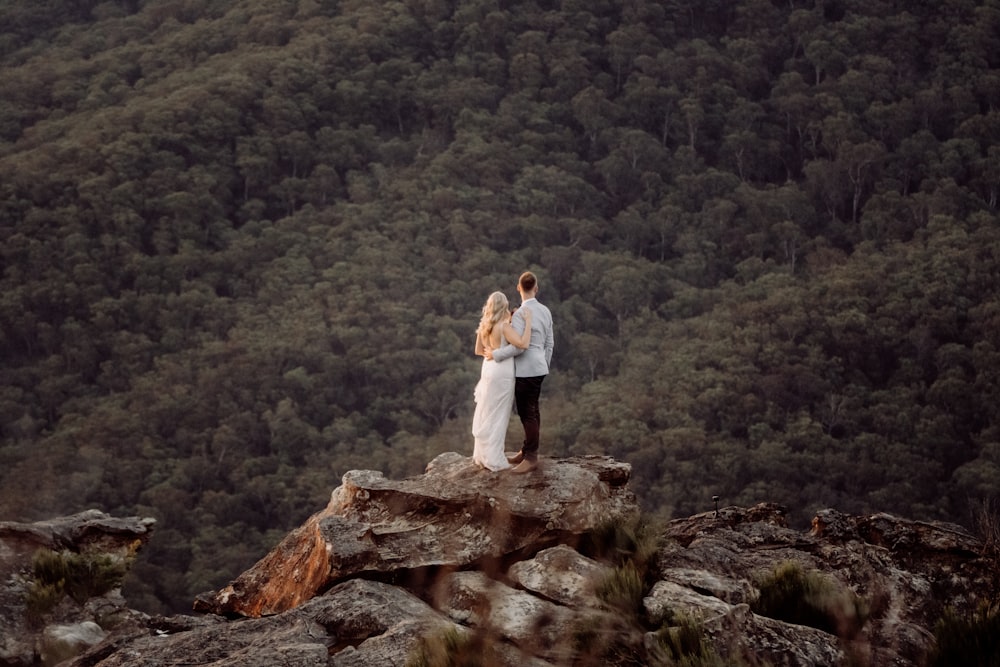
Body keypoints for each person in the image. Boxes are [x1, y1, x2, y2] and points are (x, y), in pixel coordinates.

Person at [486, 271, 554, 473]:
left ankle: (531, 457)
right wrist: (544, 364)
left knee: (527, 413)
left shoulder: (520, 315)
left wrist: (496, 354)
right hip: (540, 367)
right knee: (534, 410)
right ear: (536, 288)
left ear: (518, 288)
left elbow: (518, 347)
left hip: (525, 370)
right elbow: (550, 342)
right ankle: (527, 450)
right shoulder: (546, 311)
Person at [471, 291, 533, 471]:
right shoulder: (504, 326)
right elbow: (522, 343)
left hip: (487, 368)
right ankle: (494, 457)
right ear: (503, 306)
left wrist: (491, 353)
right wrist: (528, 322)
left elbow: (477, 350)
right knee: (499, 414)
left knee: (486, 410)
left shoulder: (484, 325)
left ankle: (481, 455)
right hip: (502, 371)